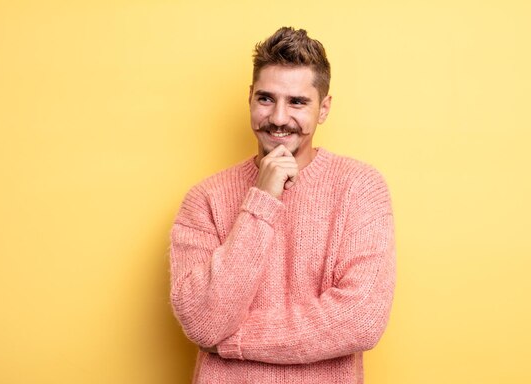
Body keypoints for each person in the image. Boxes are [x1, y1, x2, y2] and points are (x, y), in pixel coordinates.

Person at [169, 26, 396, 384]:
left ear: (324, 108)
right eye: (265, 98)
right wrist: (262, 198)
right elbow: (202, 321)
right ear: (249, 98)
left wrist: (235, 340)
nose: (277, 117)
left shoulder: (359, 187)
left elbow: (360, 319)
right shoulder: (205, 198)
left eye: (297, 102)